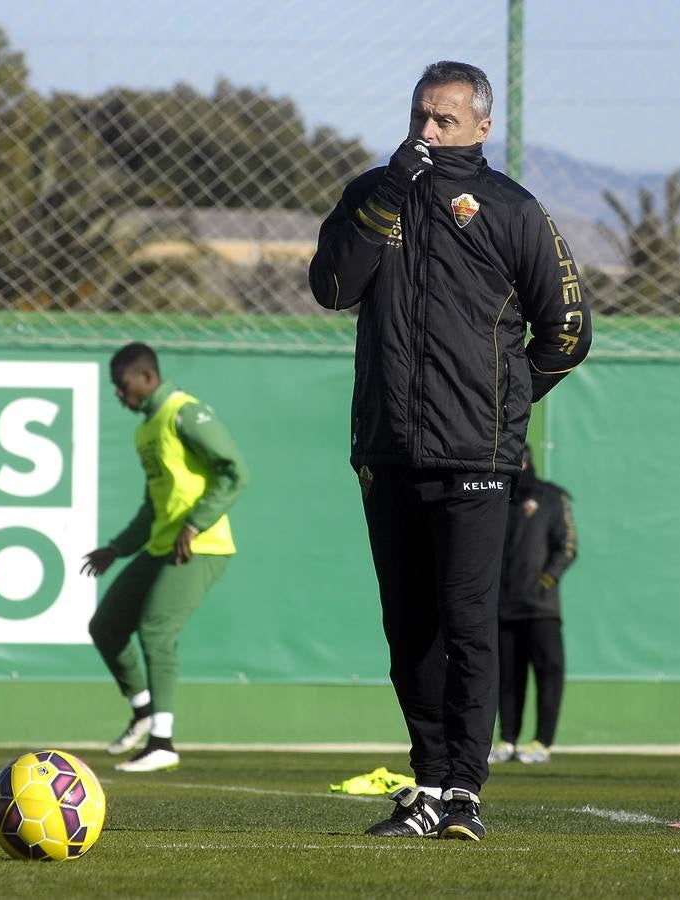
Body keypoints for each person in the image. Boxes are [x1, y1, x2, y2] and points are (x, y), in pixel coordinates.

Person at [308, 60, 591, 840]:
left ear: (480, 127)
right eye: (419, 117)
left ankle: (465, 790)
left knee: (468, 623)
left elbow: (569, 331)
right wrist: (388, 194)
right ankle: (428, 785)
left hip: (477, 458)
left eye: (444, 120)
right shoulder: (373, 192)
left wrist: (506, 402)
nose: (427, 132)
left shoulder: (512, 208)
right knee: (409, 629)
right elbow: (332, 287)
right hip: (389, 450)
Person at [80, 342, 248, 773]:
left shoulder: (183, 412)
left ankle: (162, 742)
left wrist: (195, 525)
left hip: (200, 546)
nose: (119, 394)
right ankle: (142, 711)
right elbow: (153, 506)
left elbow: (235, 471)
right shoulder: (146, 430)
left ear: (147, 379)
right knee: (106, 625)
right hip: (162, 545)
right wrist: (116, 548)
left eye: (122, 385)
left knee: (156, 631)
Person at [488, 446, 577, 766]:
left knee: (548, 674)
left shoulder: (552, 498)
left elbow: (567, 546)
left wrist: (544, 582)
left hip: (541, 609)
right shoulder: (496, 496)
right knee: (507, 677)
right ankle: (507, 739)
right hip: (504, 606)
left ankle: (542, 741)